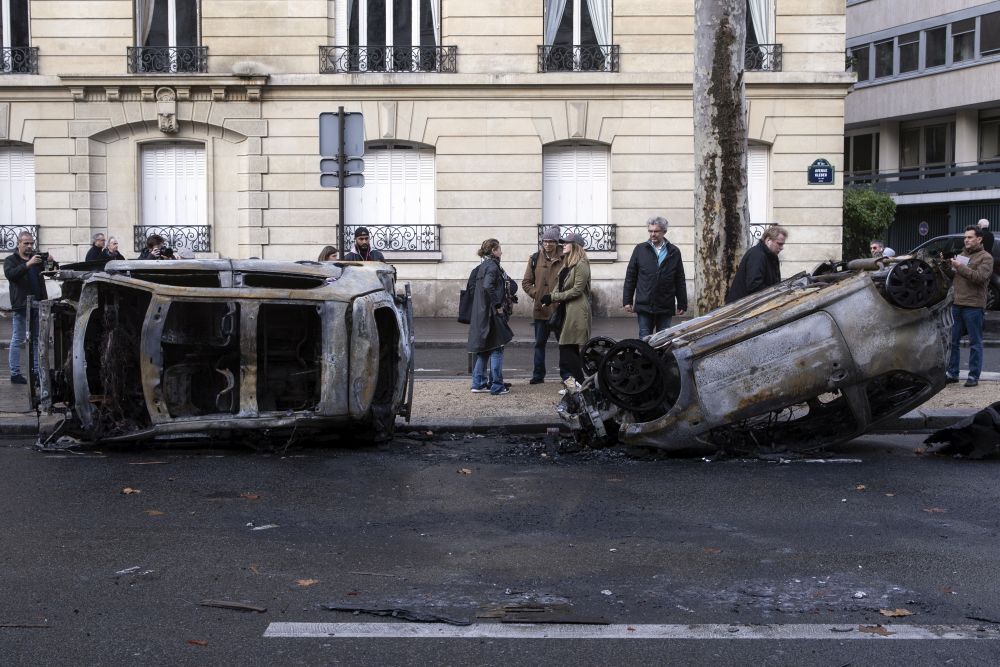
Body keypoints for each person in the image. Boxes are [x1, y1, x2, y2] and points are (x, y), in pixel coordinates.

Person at [622, 216, 687, 338]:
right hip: (644, 304)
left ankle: (660, 358)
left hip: (665, 304)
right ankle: (645, 358)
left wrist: (682, 303)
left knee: (663, 339)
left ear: (664, 232)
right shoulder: (640, 249)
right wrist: (627, 300)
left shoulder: (674, 251)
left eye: (656, 231)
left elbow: (679, 279)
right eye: (650, 231)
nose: (652, 234)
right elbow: (631, 276)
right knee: (645, 338)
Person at [541, 232, 592, 387]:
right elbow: (560, 285)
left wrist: (554, 297)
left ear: (575, 246)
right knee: (567, 348)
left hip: (576, 311)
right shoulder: (567, 264)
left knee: (568, 348)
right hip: (565, 310)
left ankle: (580, 383)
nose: (563, 245)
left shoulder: (581, 264)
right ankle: (572, 384)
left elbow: (577, 290)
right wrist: (549, 297)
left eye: (567, 243)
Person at [946, 225, 993, 388]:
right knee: (953, 342)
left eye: (970, 237)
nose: (966, 240)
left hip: (974, 305)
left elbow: (980, 277)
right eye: (965, 237)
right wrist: (949, 265)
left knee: (975, 343)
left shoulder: (986, 257)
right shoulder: (962, 255)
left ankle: (973, 376)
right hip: (957, 304)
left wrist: (960, 267)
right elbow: (955, 276)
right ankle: (952, 373)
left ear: (979, 239)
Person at [467, 238, 515, 395]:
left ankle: (478, 383)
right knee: (497, 348)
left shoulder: (483, 266)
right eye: (499, 249)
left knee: (484, 349)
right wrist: (498, 306)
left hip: (482, 312)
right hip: (491, 313)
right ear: (494, 250)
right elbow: (488, 286)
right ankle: (497, 385)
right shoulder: (493, 267)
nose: (501, 251)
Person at [4, 232, 50, 384]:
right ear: (19, 243)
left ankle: (37, 372)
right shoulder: (11, 260)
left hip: (38, 304)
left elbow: (50, 272)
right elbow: (11, 275)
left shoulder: (36, 258)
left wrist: (51, 262)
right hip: (22, 305)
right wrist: (28, 264)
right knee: (18, 339)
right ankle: (15, 373)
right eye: (26, 243)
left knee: (38, 339)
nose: (30, 246)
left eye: (31, 243)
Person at [522, 226, 566, 384]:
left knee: (564, 344)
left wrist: (562, 297)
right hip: (541, 310)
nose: (547, 244)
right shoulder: (534, 258)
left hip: (561, 309)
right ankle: (538, 375)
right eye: (545, 241)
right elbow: (526, 282)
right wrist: (537, 294)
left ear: (556, 242)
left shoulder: (565, 257)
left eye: (551, 241)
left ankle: (566, 375)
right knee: (539, 344)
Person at [724, 225, 787, 304]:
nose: (782, 248)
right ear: (768, 240)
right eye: (779, 244)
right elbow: (754, 286)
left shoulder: (771, 256)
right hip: (742, 308)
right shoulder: (757, 255)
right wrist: (776, 291)